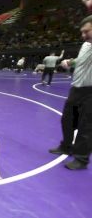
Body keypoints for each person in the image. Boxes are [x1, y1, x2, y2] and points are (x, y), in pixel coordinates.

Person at [49, 15, 92, 170]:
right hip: (76, 88)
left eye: (86, 31)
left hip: (90, 91)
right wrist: (70, 62)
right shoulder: (86, 44)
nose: (83, 35)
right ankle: (66, 146)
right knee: (67, 120)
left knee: (86, 126)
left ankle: (81, 159)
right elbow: (81, 60)